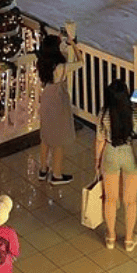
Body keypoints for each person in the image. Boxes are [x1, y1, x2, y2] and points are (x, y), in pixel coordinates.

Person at [95, 78, 137, 252]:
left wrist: (97, 162)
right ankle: (128, 239)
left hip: (111, 153)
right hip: (131, 154)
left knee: (110, 200)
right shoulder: (135, 110)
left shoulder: (104, 113)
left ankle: (110, 237)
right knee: (130, 201)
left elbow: (100, 140)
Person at [36, 31, 83, 185]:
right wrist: (73, 44)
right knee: (58, 140)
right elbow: (81, 62)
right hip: (58, 100)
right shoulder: (61, 67)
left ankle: (43, 169)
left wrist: (60, 39)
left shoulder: (42, 63)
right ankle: (56, 174)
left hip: (46, 98)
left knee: (45, 137)